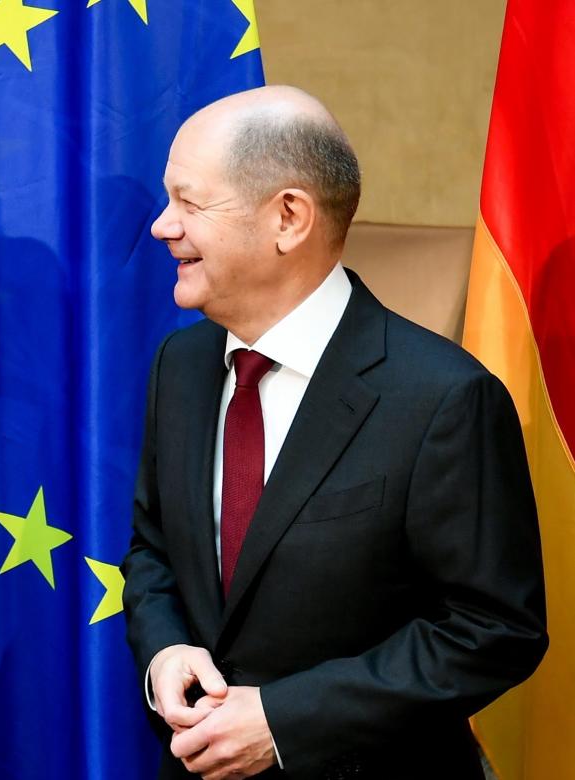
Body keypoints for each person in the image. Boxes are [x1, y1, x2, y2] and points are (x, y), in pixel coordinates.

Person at [122, 85, 547, 780]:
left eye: (188, 203)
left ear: (288, 217)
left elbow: (493, 630)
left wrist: (284, 721)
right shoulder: (181, 365)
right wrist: (165, 651)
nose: (161, 226)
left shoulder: (443, 399)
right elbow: (153, 551)